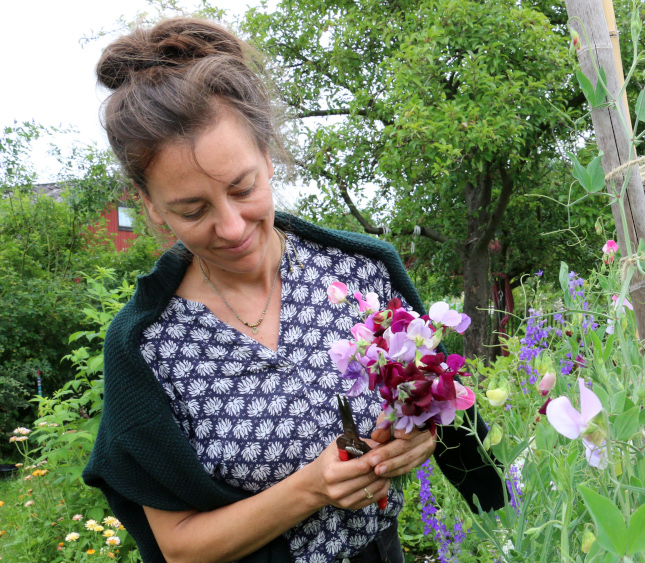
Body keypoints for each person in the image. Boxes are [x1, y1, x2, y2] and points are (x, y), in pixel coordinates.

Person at [82, 16, 504, 563]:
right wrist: (310, 489)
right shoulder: (148, 346)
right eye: (193, 209)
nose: (231, 227)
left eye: (243, 188)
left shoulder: (361, 274)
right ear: (150, 206)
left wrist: (420, 438)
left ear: (268, 156)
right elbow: (178, 547)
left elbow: (445, 411)